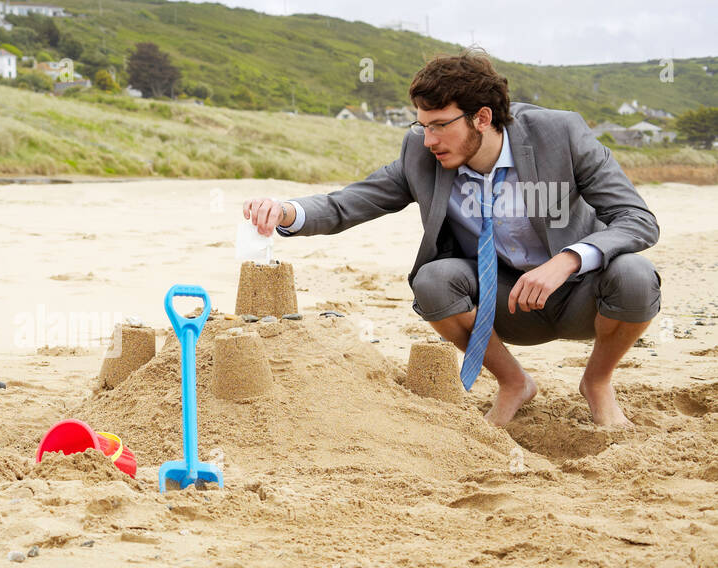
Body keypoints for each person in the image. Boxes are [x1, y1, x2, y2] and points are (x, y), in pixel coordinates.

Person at [244, 50, 661, 429]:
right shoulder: (422, 154)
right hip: (501, 302)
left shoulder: (559, 134)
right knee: (433, 280)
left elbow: (636, 219)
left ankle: (598, 382)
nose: (429, 140)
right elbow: (350, 202)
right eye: (422, 126)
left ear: (482, 117)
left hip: (580, 296)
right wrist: (286, 211)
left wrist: (568, 259)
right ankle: (514, 382)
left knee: (636, 275)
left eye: (440, 125)